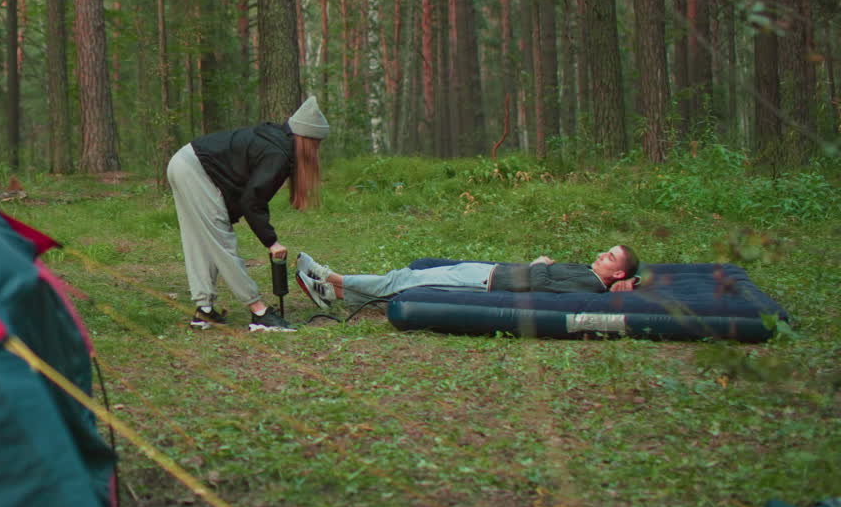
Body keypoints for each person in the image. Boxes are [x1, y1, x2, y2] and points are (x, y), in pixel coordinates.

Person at [167, 96, 329, 332]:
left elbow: (245, 189)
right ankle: (259, 313)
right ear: (307, 139)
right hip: (195, 169)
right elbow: (252, 201)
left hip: (184, 163)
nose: (317, 150)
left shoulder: (277, 143)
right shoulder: (279, 154)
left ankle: (204, 311)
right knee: (221, 243)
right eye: (317, 143)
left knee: (201, 242)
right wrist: (271, 242)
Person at [294, 245, 641, 309]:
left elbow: (541, 284)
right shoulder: (590, 273)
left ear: (619, 272)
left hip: (485, 284)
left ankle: (328, 276)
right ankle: (332, 294)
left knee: (402, 281)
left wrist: (537, 263)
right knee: (407, 277)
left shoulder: (590, 284)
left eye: (609, 257)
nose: (600, 255)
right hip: (490, 273)